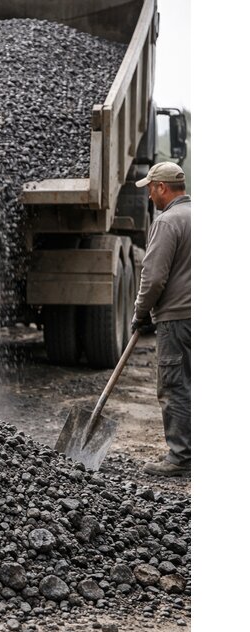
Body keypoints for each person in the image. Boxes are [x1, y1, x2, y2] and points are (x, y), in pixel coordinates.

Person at [131, 161, 190, 477]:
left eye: (151, 189)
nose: (149, 196)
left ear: (162, 188)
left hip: (177, 318)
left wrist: (140, 313)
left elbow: (153, 277)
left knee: (175, 384)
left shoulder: (167, 222)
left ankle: (180, 457)